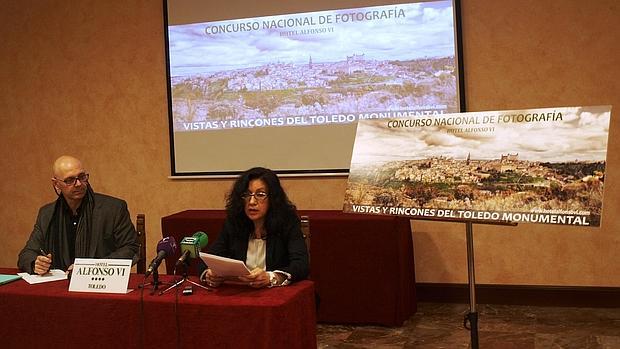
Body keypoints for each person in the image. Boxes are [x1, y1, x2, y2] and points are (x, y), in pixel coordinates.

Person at [17, 155, 139, 275]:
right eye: (70, 180)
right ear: (56, 184)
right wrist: (36, 263)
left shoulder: (113, 208)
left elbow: (130, 248)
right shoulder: (47, 213)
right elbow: (26, 254)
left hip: (99, 285)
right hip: (58, 285)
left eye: (82, 177)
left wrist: (88, 269)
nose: (79, 184)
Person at [201, 167, 309, 288]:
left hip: (276, 297)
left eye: (260, 194)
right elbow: (209, 259)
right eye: (247, 194)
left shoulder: (287, 223)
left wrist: (271, 277)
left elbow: (301, 265)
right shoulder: (233, 223)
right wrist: (210, 274)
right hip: (240, 295)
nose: (252, 201)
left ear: (273, 198)